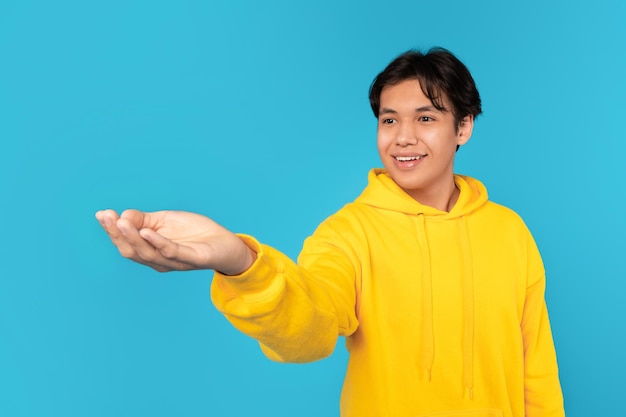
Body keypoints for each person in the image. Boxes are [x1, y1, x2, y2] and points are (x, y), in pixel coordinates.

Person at [96, 47, 565, 417]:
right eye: (389, 120)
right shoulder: (348, 233)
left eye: (425, 118)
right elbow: (311, 326)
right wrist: (241, 262)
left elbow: (537, 371)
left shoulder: (509, 231)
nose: (402, 137)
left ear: (463, 127)